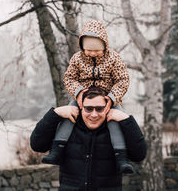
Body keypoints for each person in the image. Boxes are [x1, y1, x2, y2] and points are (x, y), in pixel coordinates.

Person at [42, 20, 133, 174]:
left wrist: (111, 98)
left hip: (107, 97)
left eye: (96, 51)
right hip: (83, 96)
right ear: (82, 47)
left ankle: (122, 158)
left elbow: (123, 79)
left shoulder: (113, 58)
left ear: (104, 45)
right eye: (88, 50)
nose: (92, 53)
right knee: (69, 115)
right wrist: (78, 92)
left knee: (114, 121)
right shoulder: (77, 58)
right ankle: (57, 150)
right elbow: (69, 77)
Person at [30, 87, 147, 190]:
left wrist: (127, 120)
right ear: (81, 107)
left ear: (107, 108)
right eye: (89, 109)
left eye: (99, 109)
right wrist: (55, 114)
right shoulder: (67, 128)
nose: (94, 114)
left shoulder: (116, 130)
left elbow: (139, 155)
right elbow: (37, 145)